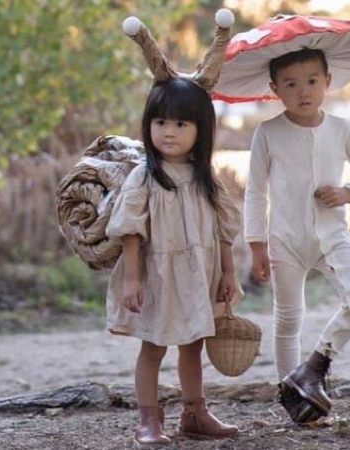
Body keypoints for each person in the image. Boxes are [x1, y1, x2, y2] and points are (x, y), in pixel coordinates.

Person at [244, 48, 350, 417]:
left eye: (312, 82)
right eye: (291, 84)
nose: (303, 91)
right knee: (289, 318)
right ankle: (291, 398)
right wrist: (255, 245)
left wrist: (347, 192)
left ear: (327, 82)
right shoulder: (268, 132)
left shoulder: (342, 129)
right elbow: (255, 191)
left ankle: (315, 367)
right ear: (275, 89)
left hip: (332, 236)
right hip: (285, 240)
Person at [105, 77, 241, 447]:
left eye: (182, 124)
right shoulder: (145, 177)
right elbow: (131, 231)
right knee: (153, 345)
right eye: (161, 122)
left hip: (199, 273)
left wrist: (228, 273)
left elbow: (224, 228)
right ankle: (148, 419)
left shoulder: (206, 179)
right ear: (148, 125)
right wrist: (132, 280)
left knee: (194, 343)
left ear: (202, 129)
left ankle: (195, 412)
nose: (169, 132)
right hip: (159, 276)